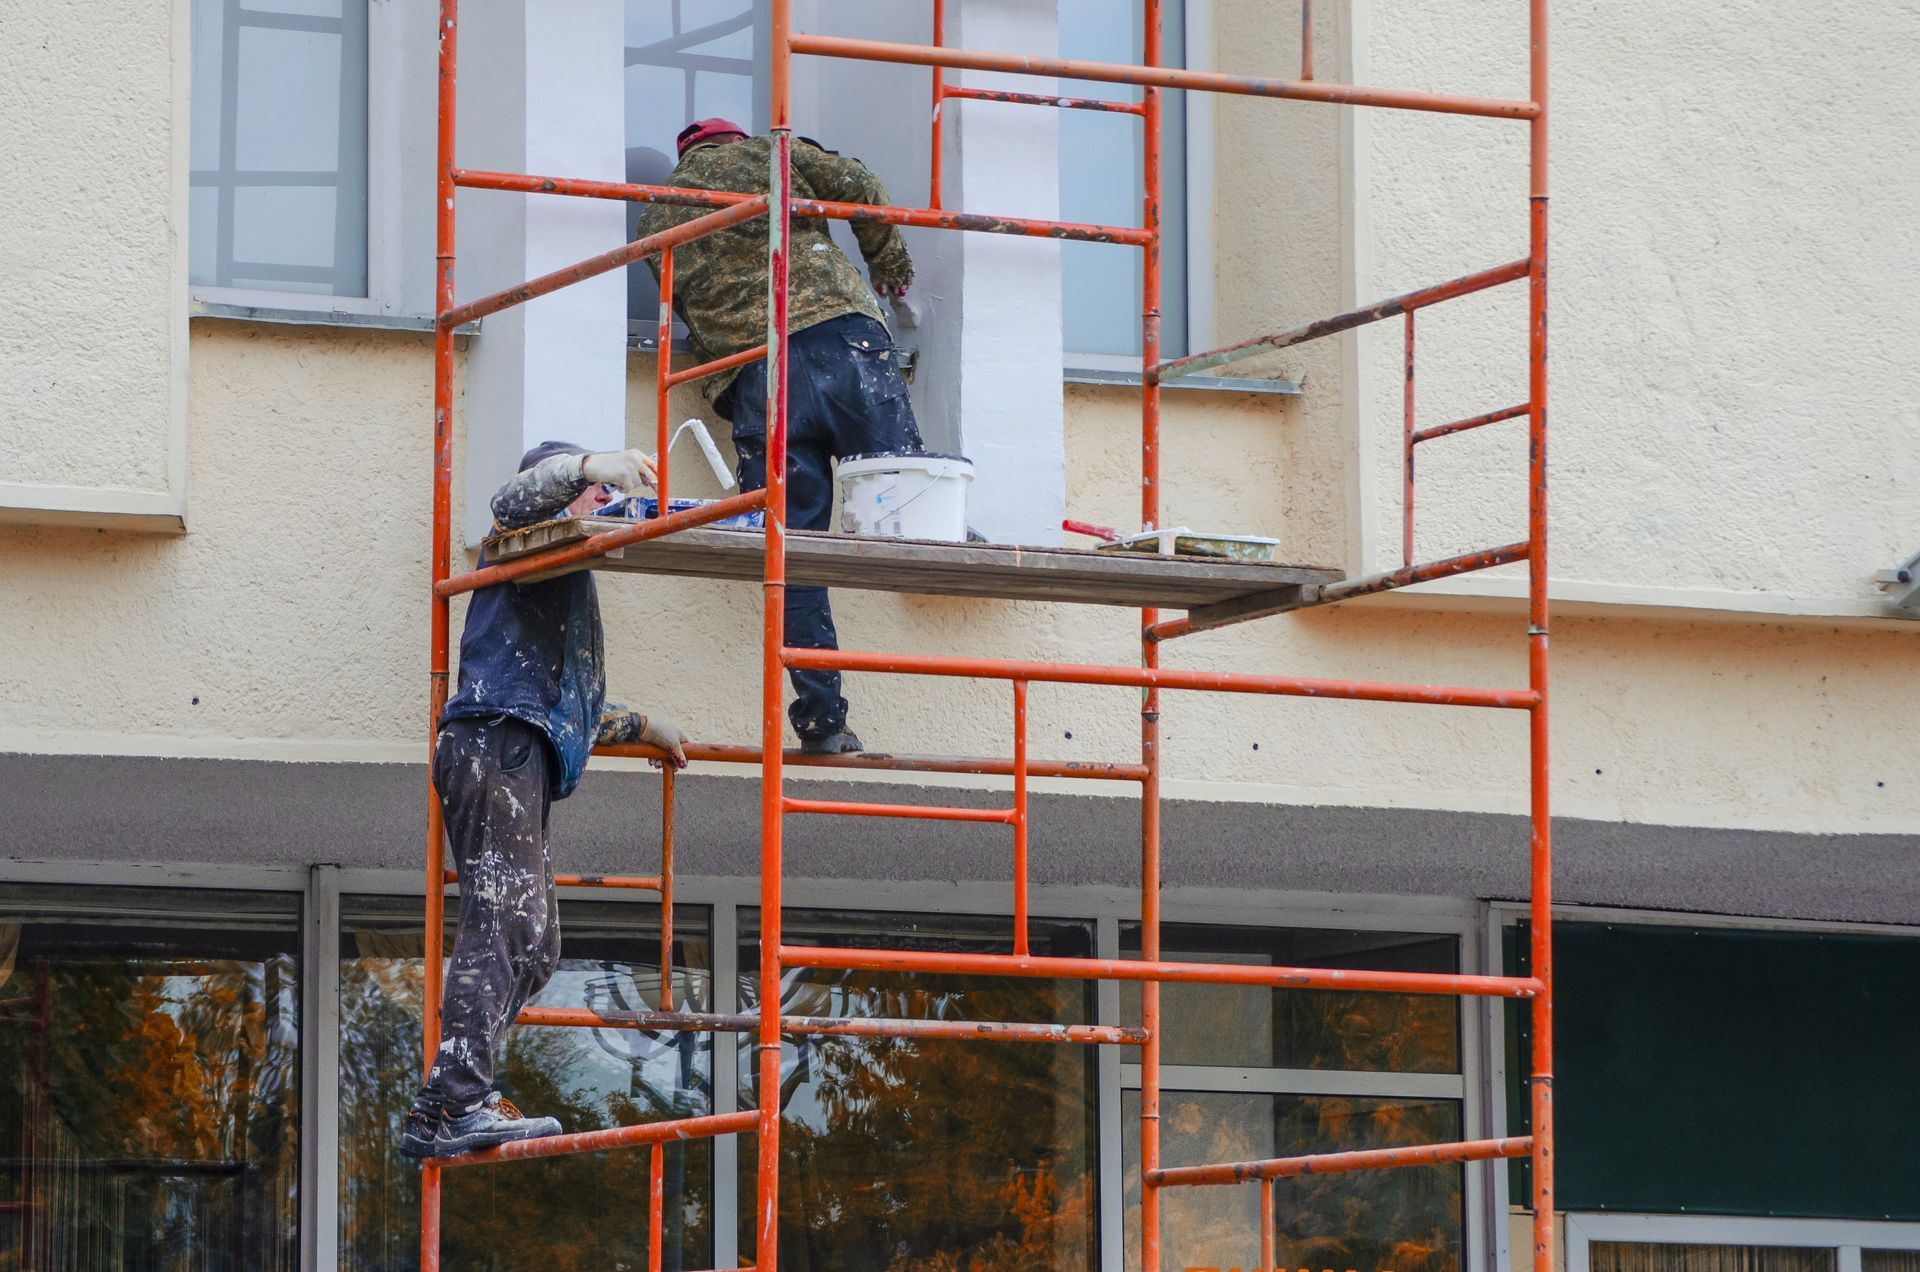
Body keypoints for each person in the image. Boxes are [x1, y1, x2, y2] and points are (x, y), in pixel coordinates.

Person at [401, 441, 692, 1160]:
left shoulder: (557, 579)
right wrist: (592, 467)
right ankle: (455, 1104)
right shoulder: (521, 536)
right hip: (495, 742)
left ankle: (455, 1097)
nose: (607, 505)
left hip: (510, 746)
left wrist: (643, 726)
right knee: (504, 923)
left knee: (534, 941)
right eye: (596, 493)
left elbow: (564, 701)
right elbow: (513, 497)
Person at [637, 117, 922, 756]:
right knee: (909, 495)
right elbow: (863, 188)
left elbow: (685, 311)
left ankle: (824, 721)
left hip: (761, 377)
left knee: (788, 551)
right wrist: (891, 270)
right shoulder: (775, 152)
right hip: (840, 339)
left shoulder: (656, 219)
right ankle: (949, 535)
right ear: (734, 140)